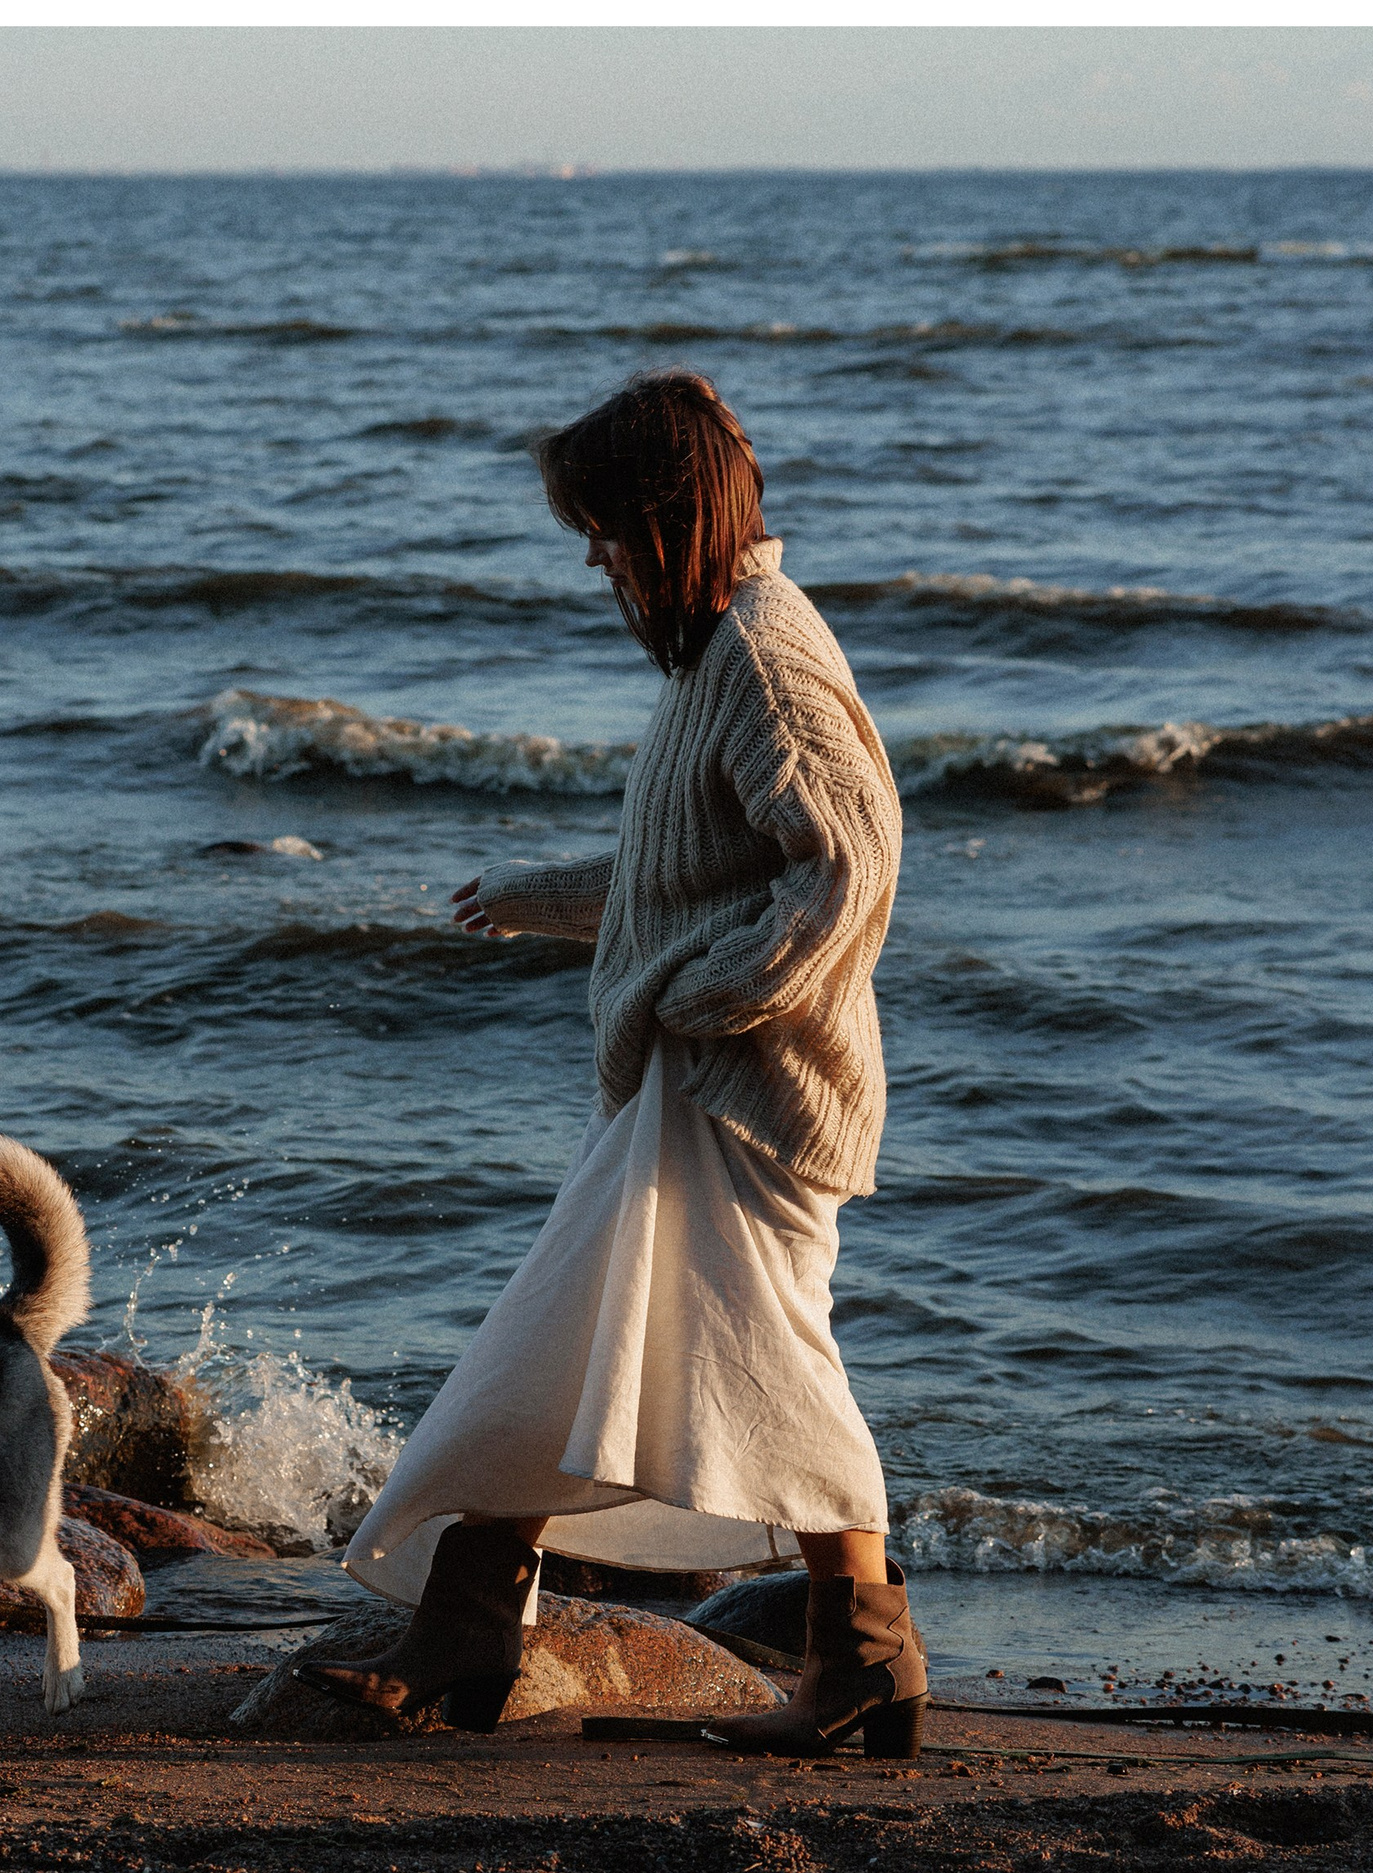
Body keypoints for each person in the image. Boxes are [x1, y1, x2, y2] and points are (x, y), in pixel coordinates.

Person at [296, 369, 926, 1758]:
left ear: (664, 515)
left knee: (777, 1370)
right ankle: (466, 1636)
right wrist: (543, 899)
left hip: (749, 1091)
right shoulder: (722, 650)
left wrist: (708, 998)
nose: (591, 555)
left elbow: (852, 862)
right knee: (556, 1342)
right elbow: (687, 875)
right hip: (695, 1085)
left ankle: (864, 1660)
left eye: (602, 525)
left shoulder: (765, 653)